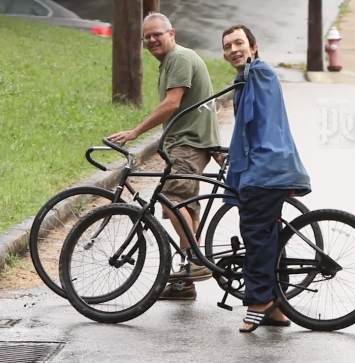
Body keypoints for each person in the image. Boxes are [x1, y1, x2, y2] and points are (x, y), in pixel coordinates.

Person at [108, 13, 220, 300]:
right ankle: (185, 283)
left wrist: (136, 131)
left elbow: (172, 103)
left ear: (172, 33)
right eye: (148, 37)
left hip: (188, 144)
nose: (152, 40)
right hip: (186, 142)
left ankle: (195, 262)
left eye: (158, 34)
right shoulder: (172, 61)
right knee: (185, 209)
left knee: (173, 201)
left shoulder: (180, 58)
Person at [221, 25, 311, 332]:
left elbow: (247, 124)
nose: (233, 49)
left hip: (265, 167)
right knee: (269, 235)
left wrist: (236, 156)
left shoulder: (258, 74)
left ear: (253, 47)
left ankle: (259, 301)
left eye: (239, 43)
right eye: (227, 46)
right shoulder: (249, 76)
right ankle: (277, 308)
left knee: (256, 234)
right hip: (267, 164)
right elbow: (252, 126)